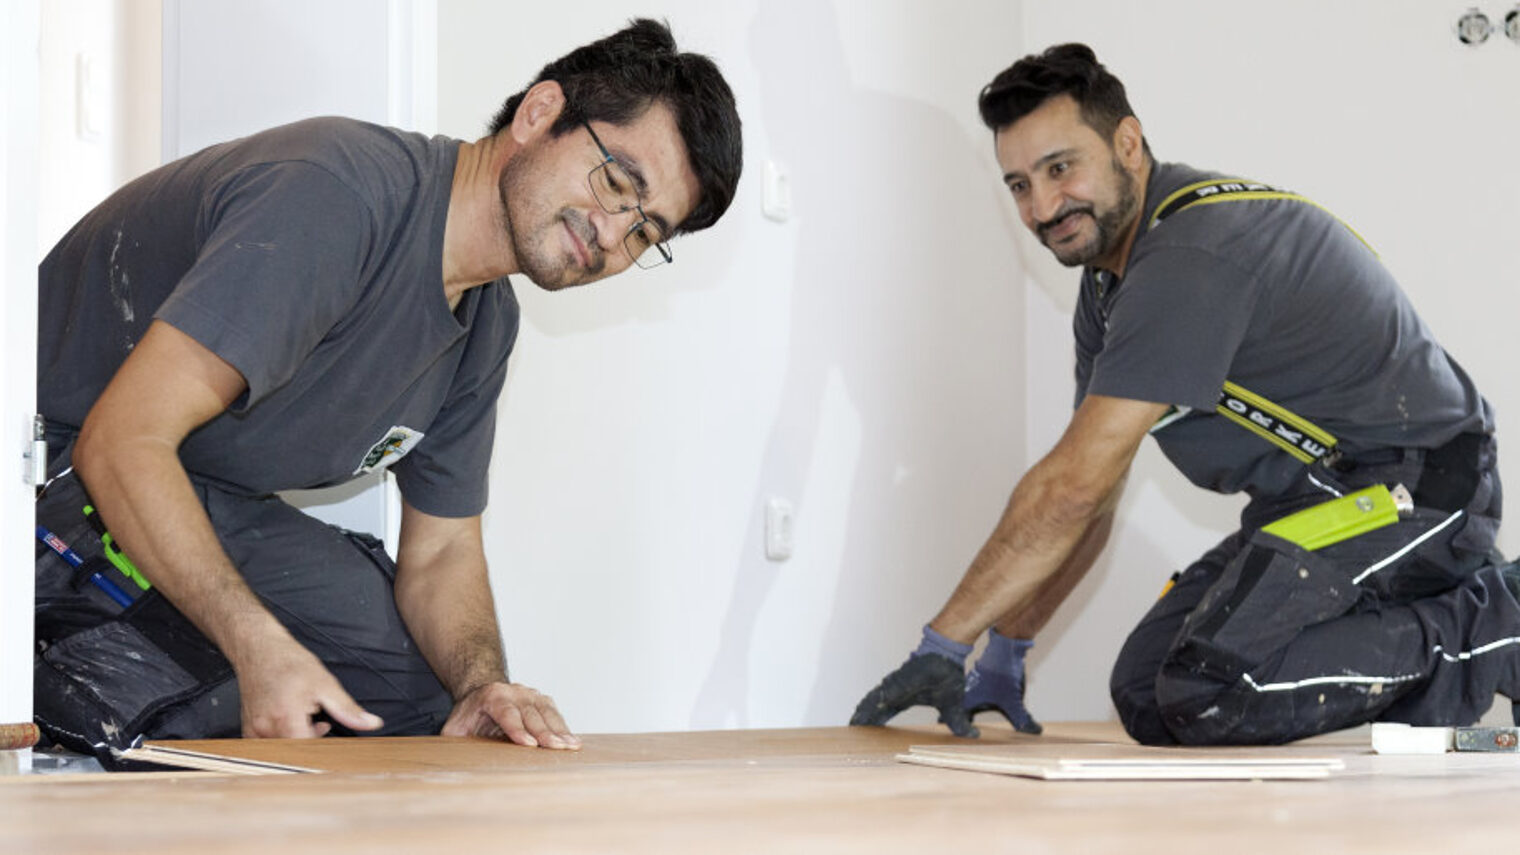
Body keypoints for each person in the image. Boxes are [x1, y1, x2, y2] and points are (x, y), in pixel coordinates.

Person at [33, 18, 742, 757]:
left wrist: (482, 687)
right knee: (216, 689)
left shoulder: (487, 323)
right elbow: (121, 441)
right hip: (51, 471)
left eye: (644, 231)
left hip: (205, 491)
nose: (611, 232)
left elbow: (442, 552)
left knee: (416, 691)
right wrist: (258, 646)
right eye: (618, 181)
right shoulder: (337, 196)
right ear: (539, 115)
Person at [850, 43, 1515, 745]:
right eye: (1018, 184)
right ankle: (1458, 614)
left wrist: (944, 645)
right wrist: (1007, 648)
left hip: (1425, 484)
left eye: (1060, 168)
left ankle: (1496, 627)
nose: (1043, 206)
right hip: (1321, 500)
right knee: (1145, 693)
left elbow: (1070, 487)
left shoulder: (1188, 258)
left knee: (1205, 691)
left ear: (1127, 144)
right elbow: (1096, 487)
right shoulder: (1111, 286)